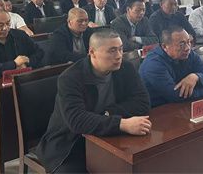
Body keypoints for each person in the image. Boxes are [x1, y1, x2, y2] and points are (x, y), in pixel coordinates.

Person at [36, 29, 151, 173]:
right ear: (92, 52)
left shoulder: (125, 68)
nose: (119, 56)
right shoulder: (70, 78)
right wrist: (121, 123)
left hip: (108, 138)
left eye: (121, 49)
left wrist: (108, 113)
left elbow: (143, 103)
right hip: (70, 144)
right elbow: (77, 121)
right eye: (112, 51)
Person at [0, 10, 44, 107]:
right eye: (0, 25)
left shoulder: (20, 35)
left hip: (22, 84)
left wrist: (27, 63)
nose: (5, 28)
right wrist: (14, 64)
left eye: (8, 23)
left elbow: (39, 52)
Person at [139, 26, 203, 107]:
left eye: (189, 42)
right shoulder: (153, 64)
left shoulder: (189, 54)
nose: (187, 48)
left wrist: (196, 77)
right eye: (181, 44)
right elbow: (176, 96)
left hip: (183, 104)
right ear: (165, 46)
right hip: (158, 109)